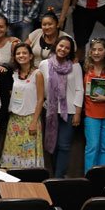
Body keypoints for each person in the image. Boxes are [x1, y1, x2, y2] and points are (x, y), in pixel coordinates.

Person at [39, 36, 84, 178]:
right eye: (61, 46)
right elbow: (40, 88)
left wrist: (78, 112)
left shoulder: (75, 66)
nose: (63, 49)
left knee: (64, 146)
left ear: (70, 51)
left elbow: (79, 89)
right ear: (56, 46)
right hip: (50, 110)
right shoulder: (44, 64)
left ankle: (59, 178)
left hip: (69, 112)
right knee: (52, 145)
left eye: (67, 48)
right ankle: (53, 175)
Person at [0, 43, 45, 169]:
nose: (21, 55)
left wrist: (34, 122)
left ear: (30, 56)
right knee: (13, 152)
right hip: (15, 119)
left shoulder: (37, 74)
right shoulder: (13, 73)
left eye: (24, 53)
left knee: (27, 151)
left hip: (30, 119)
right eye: (18, 53)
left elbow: (40, 99)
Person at [82, 37, 105, 172]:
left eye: (100, 50)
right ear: (90, 52)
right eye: (94, 49)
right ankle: (89, 176)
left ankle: (102, 176)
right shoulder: (85, 68)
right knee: (92, 147)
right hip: (91, 114)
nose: (96, 52)